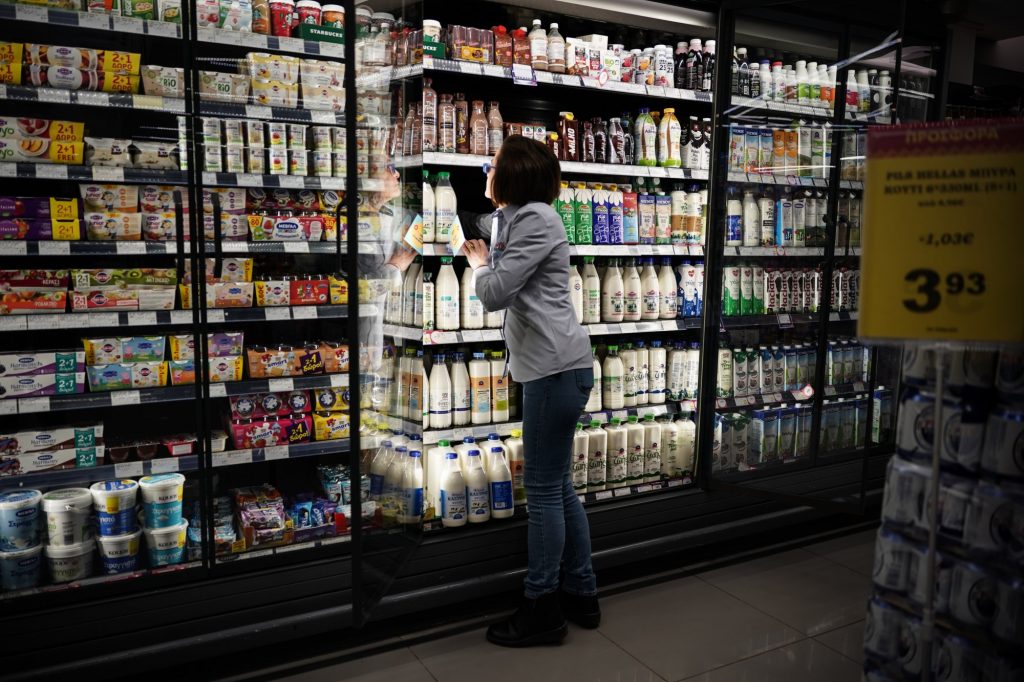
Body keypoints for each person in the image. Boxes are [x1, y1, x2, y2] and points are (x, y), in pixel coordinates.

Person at [462, 135, 599, 647]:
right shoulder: (518, 217)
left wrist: (479, 265)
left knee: (542, 492)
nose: (486, 171)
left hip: (553, 372)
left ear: (514, 174)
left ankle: (542, 608)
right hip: (553, 369)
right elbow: (488, 230)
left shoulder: (538, 219)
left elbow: (496, 293)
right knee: (559, 488)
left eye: (493, 164)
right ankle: (582, 592)